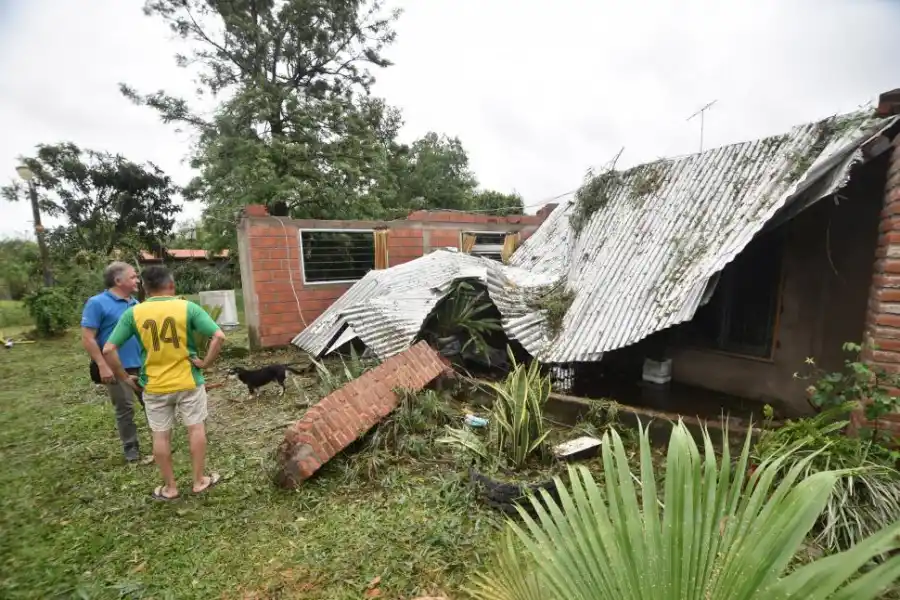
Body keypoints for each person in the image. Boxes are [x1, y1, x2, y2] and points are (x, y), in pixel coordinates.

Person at [102, 265, 227, 500]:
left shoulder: (134, 313)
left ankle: (170, 488)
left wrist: (124, 377)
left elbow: (109, 349)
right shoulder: (187, 307)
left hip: (154, 386)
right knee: (196, 428)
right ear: (171, 285)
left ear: (146, 289)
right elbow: (219, 336)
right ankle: (199, 481)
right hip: (188, 381)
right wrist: (205, 363)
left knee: (160, 435)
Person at [81, 261, 146, 463]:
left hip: (142, 364)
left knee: (152, 402)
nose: (137, 280)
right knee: (125, 407)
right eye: (133, 277)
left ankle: (160, 439)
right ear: (118, 280)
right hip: (117, 366)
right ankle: (131, 447)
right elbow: (88, 337)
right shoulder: (97, 303)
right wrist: (102, 364)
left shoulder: (135, 304)